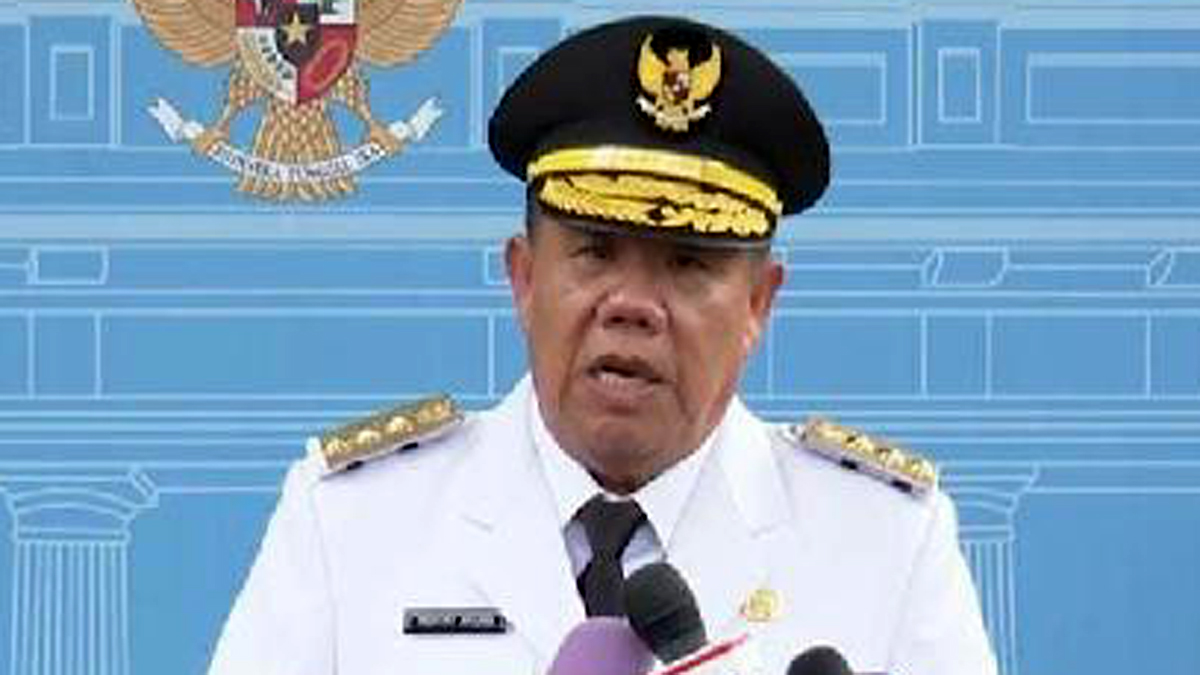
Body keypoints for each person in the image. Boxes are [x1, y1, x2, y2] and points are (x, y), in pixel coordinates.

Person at [206, 15, 998, 675]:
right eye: (594, 251)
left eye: (690, 263)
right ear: (523, 277)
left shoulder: (885, 542)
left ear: (758, 304)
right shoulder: (352, 522)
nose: (633, 306)